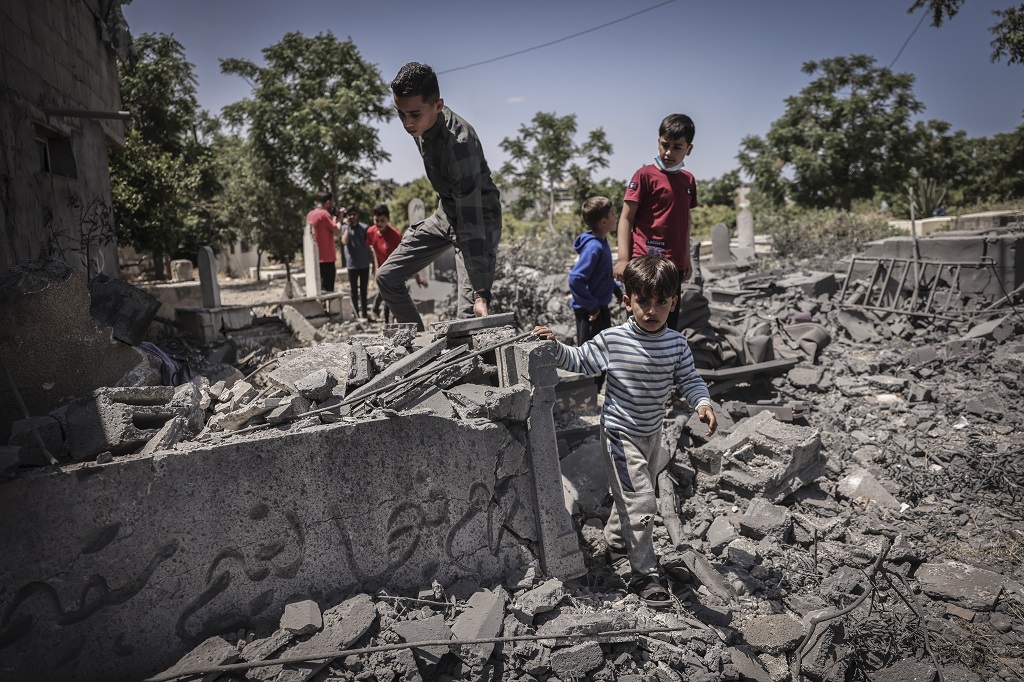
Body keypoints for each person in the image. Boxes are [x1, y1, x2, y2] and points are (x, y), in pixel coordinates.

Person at [533, 256, 717, 605]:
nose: (652, 310)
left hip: (651, 434)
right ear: (626, 301)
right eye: (643, 301)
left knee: (631, 496)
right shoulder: (613, 340)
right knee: (642, 500)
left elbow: (690, 380)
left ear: (673, 302)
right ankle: (644, 574)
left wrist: (702, 404)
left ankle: (616, 544)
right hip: (620, 435)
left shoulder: (676, 344)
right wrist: (554, 347)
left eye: (661, 302)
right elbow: (580, 360)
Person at [377, 61, 503, 331]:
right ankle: (420, 350)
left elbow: (471, 221)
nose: (407, 123)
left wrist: (481, 291)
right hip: (447, 213)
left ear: (437, 105)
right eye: (400, 114)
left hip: (478, 220)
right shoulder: (421, 124)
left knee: (468, 318)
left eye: (414, 114)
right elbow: (454, 206)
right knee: (387, 277)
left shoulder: (459, 144)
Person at [613, 114, 698, 331]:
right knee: (641, 321)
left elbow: (684, 222)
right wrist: (623, 258)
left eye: (677, 147)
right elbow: (625, 218)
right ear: (658, 142)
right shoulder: (644, 176)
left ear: (688, 149)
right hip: (644, 262)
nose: (669, 152)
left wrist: (686, 258)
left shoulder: (688, 180)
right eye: (664, 145)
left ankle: (665, 364)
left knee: (668, 324)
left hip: (673, 265)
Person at [570, 196, 621, 348]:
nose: (615, 216)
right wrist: (591, 306)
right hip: (590, 311)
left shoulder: (602, 242)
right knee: (590, 354)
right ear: (604, 222)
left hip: (599, 307)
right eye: (612, 214)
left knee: (602, 351)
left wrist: (617, 291)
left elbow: (603, 275)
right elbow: (575, 279)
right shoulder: (594, 247)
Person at [366, 203, 426, 322]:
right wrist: (375, 266)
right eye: (376, 220)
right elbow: (371, 249)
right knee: (382, 291)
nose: (379, 223)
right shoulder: (371, 232)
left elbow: (407, 255)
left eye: (382, 220)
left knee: (389, 295)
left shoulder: (395, 236)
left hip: (394, 271)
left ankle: (388, 321)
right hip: (380, 270)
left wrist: (417, 276)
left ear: (388, 220)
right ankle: (378, 312)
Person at [341, 205, 371, 320]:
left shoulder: (364, 228)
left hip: (364, 264)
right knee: (354, 291)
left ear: (357, 215)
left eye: (354, 214)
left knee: (364, 290)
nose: (352, 217)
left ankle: (364, 313)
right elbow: (344, 241)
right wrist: (347, 227)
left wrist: (372, 262)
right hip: (352, 265)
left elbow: (369, 246)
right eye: (349, 215)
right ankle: (356, 313)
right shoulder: (345, 228)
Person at [306, 191, 340, 292]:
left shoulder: (310, 214)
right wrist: (338, 220)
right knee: (328, 290)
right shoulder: (324, 214)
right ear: (328, 202)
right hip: (327, 259)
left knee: (317, 289)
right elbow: (337, 232)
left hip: (314, 258)